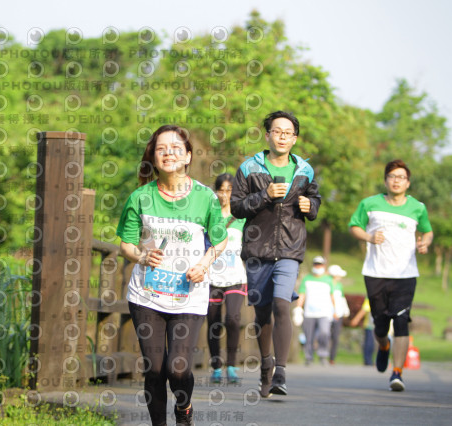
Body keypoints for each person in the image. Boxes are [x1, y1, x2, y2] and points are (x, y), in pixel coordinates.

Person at [117, 124, 228, 426]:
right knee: (154, 369)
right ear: (152, 156)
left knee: (177, 369)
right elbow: (126, 243)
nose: (168, 153)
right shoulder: (140, 197)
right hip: (147, 295)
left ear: (188, 155)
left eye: (176, 148)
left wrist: (205, 264)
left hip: (188, 296)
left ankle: (184, 407)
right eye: (161, 148)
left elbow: (220, 241)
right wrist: (141, 254)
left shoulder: (205, 197)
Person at [230, 110, 321, 397]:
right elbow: (236, 207)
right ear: (267, 134)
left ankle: (280, 372)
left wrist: (311, 206)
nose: (282, 137)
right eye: (276, 131)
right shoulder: (248, 167)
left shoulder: (305, 170)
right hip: (257, 250)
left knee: (283, 305)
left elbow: (315, 200)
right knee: (262, 314)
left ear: (295, 138)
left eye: (288, 133)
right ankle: (266, 366)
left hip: (290, 248)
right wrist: (265, 195)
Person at [349, 159, 433, 392]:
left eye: (401, 177)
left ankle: (397, 373)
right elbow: (354, 226)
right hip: (375, 272)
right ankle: (383, 346)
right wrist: (369, 237)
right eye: (392, 176)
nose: (396, 181)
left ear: (408, 182)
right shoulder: (370, 203)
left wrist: (424, 243)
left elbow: (427, 231)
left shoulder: (418, 207)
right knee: (380, 324)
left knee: (402, 320)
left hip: (405, 275)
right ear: (386, 180)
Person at [206, 173, 247, 384]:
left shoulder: (243, 217)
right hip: (212, 277)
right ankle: (216, 366)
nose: (225, 194)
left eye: (229, 190)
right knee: (213, 322)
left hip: (237, 277)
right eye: (221, 190)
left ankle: (231, 365)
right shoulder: (210, 216)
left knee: (232, 318)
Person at [296, 256, 334, 366]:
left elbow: (332, 296)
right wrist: (299, 308)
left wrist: (335, 310)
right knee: (309, 336)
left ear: (323, 266)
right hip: (309, 312)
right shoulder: (307, 279)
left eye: (320, 264)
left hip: (324, 312)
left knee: (324, 333)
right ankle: (308, 356)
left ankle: (323, 355)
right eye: (316, 264)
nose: (318, 266)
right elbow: (302, 294)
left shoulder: (328, 280)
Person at [350, 297, 376, 366]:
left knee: (372, 344)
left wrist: (356, 319)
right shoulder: (370, 297)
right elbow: (364, 309)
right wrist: (356, 319)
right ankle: (368, 361)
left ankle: (371, 360)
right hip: (370, 325)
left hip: (376, 325)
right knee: (369, 343)